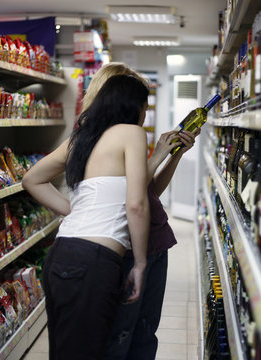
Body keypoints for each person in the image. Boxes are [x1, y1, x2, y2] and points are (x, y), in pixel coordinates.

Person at [22, 74, 151, 359]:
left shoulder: (82, 139)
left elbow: (31, 179)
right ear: (135, 106)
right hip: (92, 262)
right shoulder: (132, 133)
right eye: (146, 106)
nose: (145, 114)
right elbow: (137, 204)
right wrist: (140, 264)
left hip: (61, 254)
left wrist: (75, 210)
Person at [80, 62, 199, 360]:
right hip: (126, 251)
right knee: (119, 335)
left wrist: (174, 156)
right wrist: (157, 155)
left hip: (156, 244)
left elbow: (150, 192)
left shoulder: (130, 134)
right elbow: (125, 195)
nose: (142, 110)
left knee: (146, 333)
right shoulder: (97, 140)